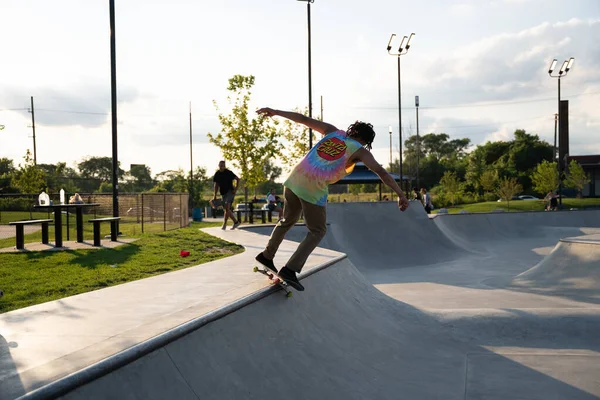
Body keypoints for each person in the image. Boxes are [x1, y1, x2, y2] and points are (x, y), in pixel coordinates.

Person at [254, 107, 409, 291]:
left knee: (287, 220)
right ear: (365, 141)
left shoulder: (332, 131)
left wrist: (275, 111)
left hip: (294, 179)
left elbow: (302, 119)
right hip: (312, 187)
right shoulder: (360, 151)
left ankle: (267, 255)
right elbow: (381, 172)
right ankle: (290, 269)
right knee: (317, 230)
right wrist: (400, 194)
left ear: (351, 131)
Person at [212, 160, 241, 230]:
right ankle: (236, 222)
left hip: (230, 192)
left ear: (225, 166)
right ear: (218, 165)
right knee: (226, 209)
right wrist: (215, 195)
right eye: (221, 165)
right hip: (223, 193)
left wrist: (236, 189)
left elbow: (237, 179)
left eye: (223, 165)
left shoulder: (229, 173)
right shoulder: (217, 174)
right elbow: (216, 185)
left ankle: (224, 224)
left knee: (227, 208)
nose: (222, 167)